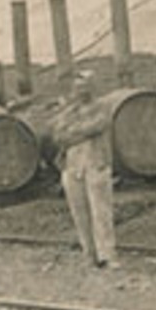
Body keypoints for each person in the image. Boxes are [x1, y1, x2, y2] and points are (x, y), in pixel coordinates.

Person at [51, 70, 117, 268]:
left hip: (96, 163)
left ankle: (108, 255)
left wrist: (74, 131)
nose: (82, 91)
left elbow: (96, 126)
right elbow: (57, 134)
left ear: (93, 87)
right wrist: (78, 131)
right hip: (72, 166)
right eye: (78, 87)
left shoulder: (103, 106)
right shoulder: (69, 110)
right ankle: (89, 255)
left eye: (86, 86)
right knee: (79, 213)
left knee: (101, 212)